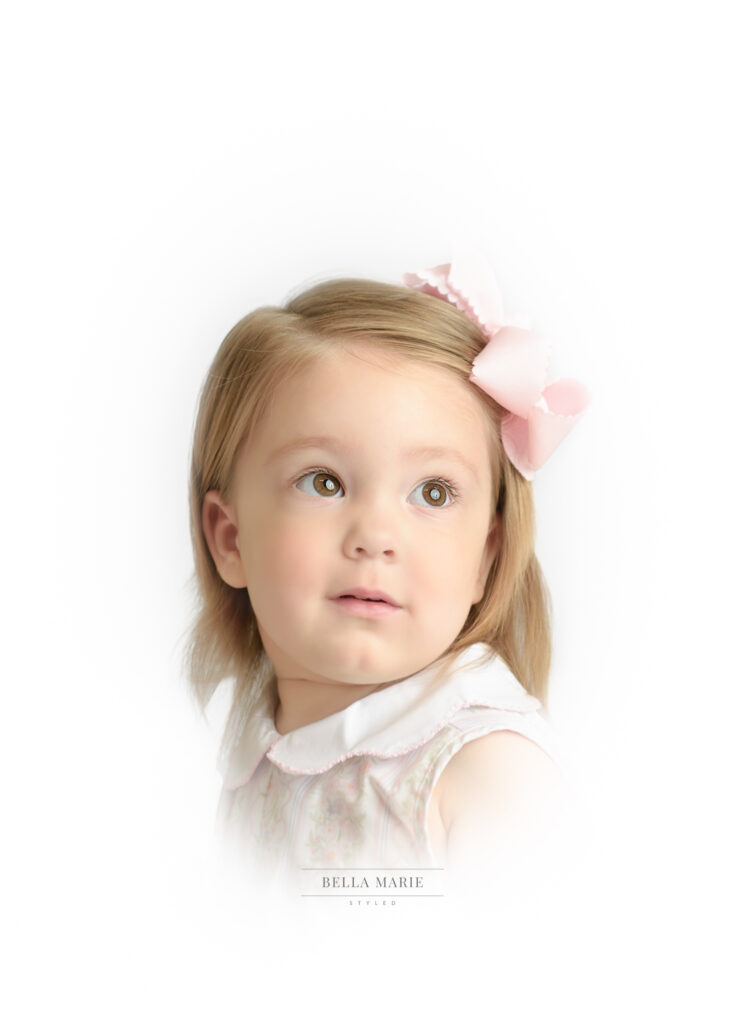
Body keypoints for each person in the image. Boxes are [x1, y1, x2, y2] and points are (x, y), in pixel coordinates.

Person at [184, 253, 589, 891]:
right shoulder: (255, 761)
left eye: (432, 493)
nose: (375, 536)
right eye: (324, 482)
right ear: (230, 539)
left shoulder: (488, 774)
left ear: (487, 558)